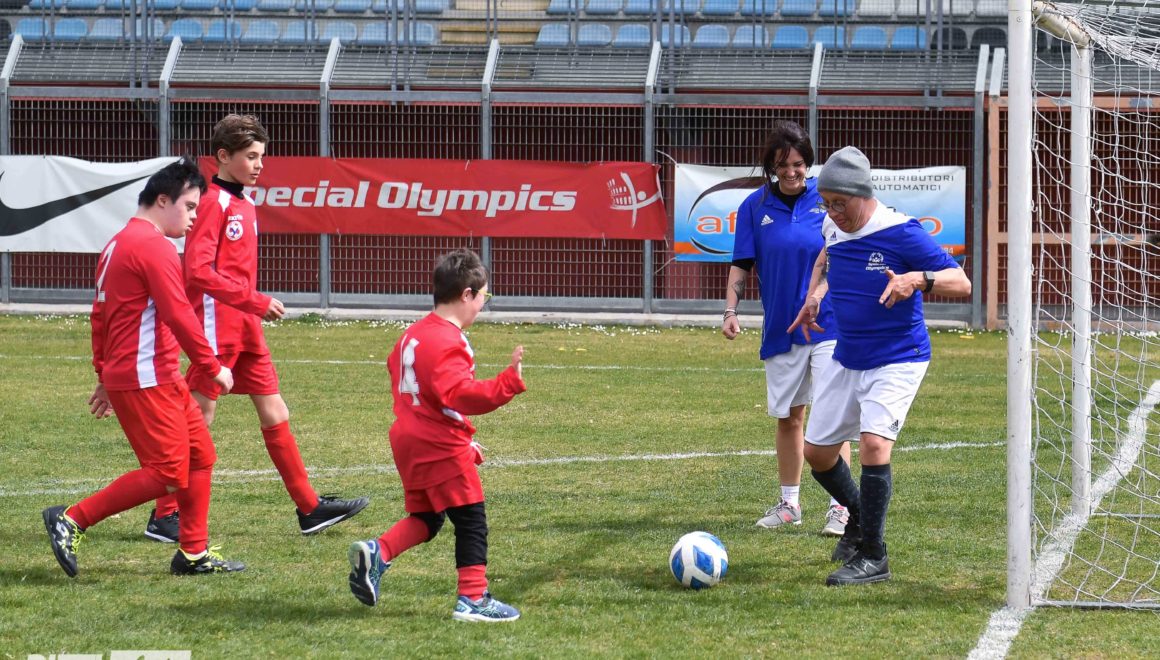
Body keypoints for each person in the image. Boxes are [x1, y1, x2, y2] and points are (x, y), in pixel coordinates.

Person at [144, 114, 368, 543]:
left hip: (246, 328)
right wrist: (255, 301)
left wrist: (252, 307)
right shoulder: (212, 203)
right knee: (199, 417)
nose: (259, 164)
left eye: (261, 156)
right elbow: (197, 272)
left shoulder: (244, 203)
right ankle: (164, 514)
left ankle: (309, 508)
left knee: (275, 411)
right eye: (250, 156)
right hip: (217, 327)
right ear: (223, 157)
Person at [43, 158, 245, 577]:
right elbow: (179, 315)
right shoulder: (154, 247)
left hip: (150, 375)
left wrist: (103, 374)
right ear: (163, 200)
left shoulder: (119, 242)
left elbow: (100, 316)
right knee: (168, 473)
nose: (194, 217)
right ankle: (72, 519)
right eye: (189, 206)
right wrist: (212, 367)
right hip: (146, 377)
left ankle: (193, 554)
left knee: (200, 457)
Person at [789, 145, 971, 586]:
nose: (833, 213)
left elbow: (962, 282)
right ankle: (858, 516)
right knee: (817, 454)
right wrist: (815, 296)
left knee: (873, 444)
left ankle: (874, 555)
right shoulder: (833, 226)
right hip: (848, 353)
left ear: (863, 194)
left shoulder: (901, 232)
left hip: (897, 356)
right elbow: (827, 259)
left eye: (840, 203)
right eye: (826, 204)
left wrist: (918, 279)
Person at [346, 249, 526, 623]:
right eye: (484, 296)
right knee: (471, 518)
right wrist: (508, 382)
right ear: (466, 294)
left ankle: (378, 552)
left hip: (407, 437)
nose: (483, 305)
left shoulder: (412, 334)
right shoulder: (450, 339)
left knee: (428, 517)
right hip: (436, 443)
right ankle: (473, 598)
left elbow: (413, 382)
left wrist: (460, 434)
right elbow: (460, 394)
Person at [722, 120, 852, 536]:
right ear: (771, 166)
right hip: (781, 328)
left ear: (808, 164)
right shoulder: (754, 206)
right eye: (783, 165)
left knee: (832, 416)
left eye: (798, 164)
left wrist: (822, 294)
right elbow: (741, 264)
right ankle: (790, 504)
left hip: (830, 324)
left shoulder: (827, 201)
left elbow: (842, 255)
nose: (792, 171)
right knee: (789, 418)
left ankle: (842, 507)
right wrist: (730, 310)